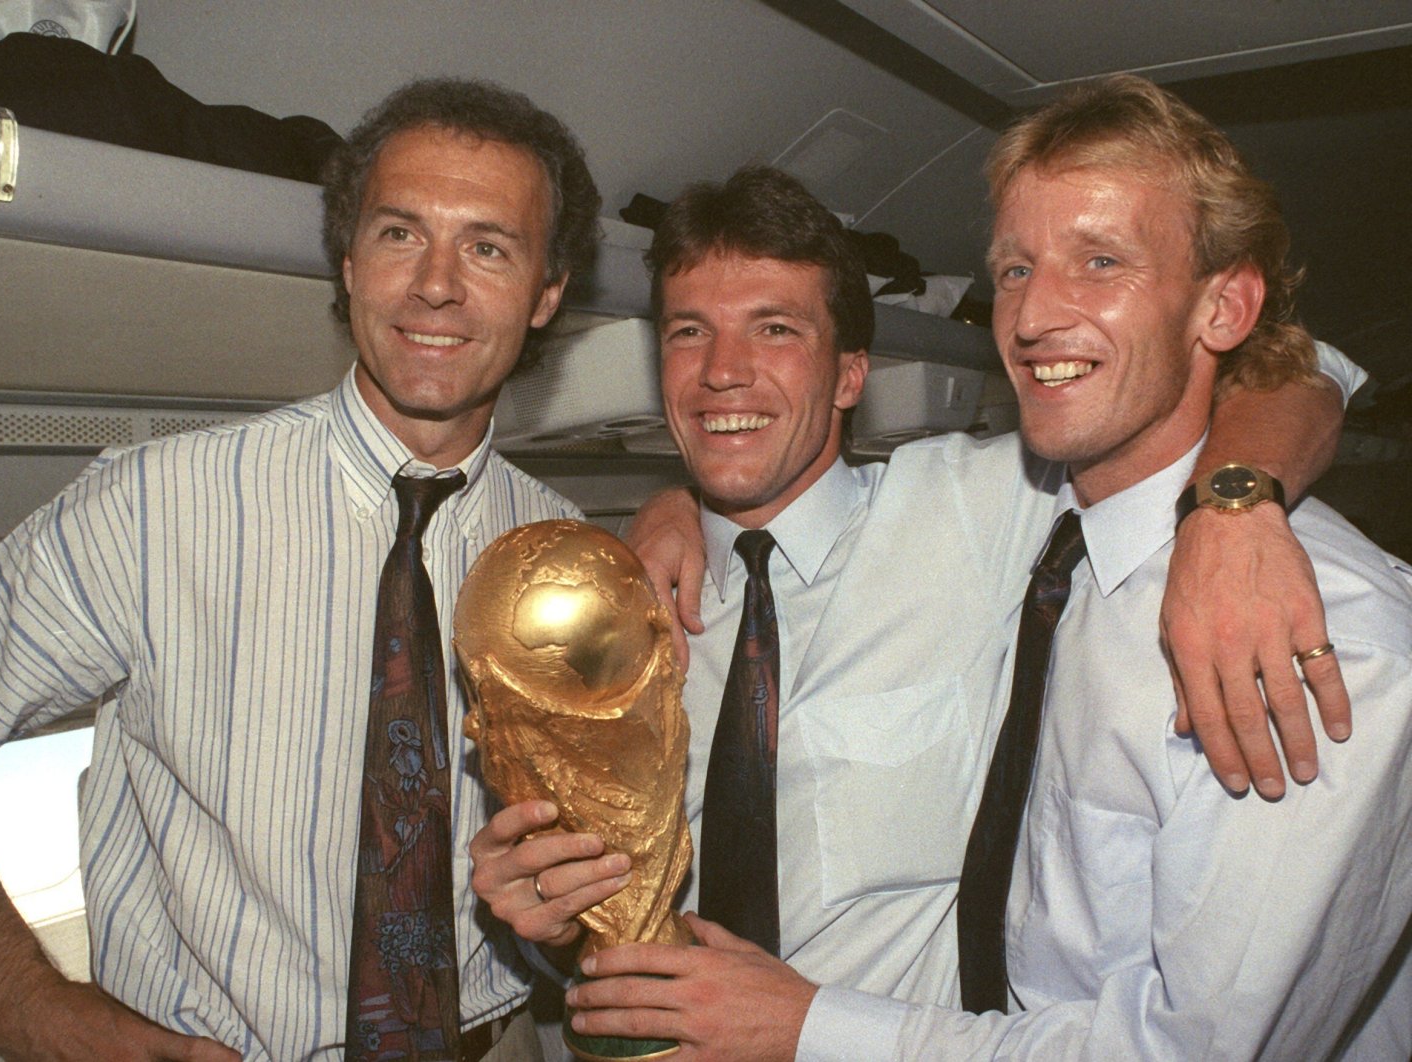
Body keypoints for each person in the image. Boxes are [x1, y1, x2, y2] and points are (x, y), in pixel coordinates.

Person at [550, 80, 1411, 1058]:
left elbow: (1306, 369)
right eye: (1011, 269)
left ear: (849, 378)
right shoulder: (1074, 544)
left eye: (1100, 261)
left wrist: (1234, 506)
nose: (1036, 312)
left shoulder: (1297, 633)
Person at [0, 77, 600, 1062]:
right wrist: (17, 999)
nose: (436, 283)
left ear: (545, 295)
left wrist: (566, 922)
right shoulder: (156, 505)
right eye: (401, 234)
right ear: (350, 262)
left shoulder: (572, 556)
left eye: (488, 247)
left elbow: (586, 868)